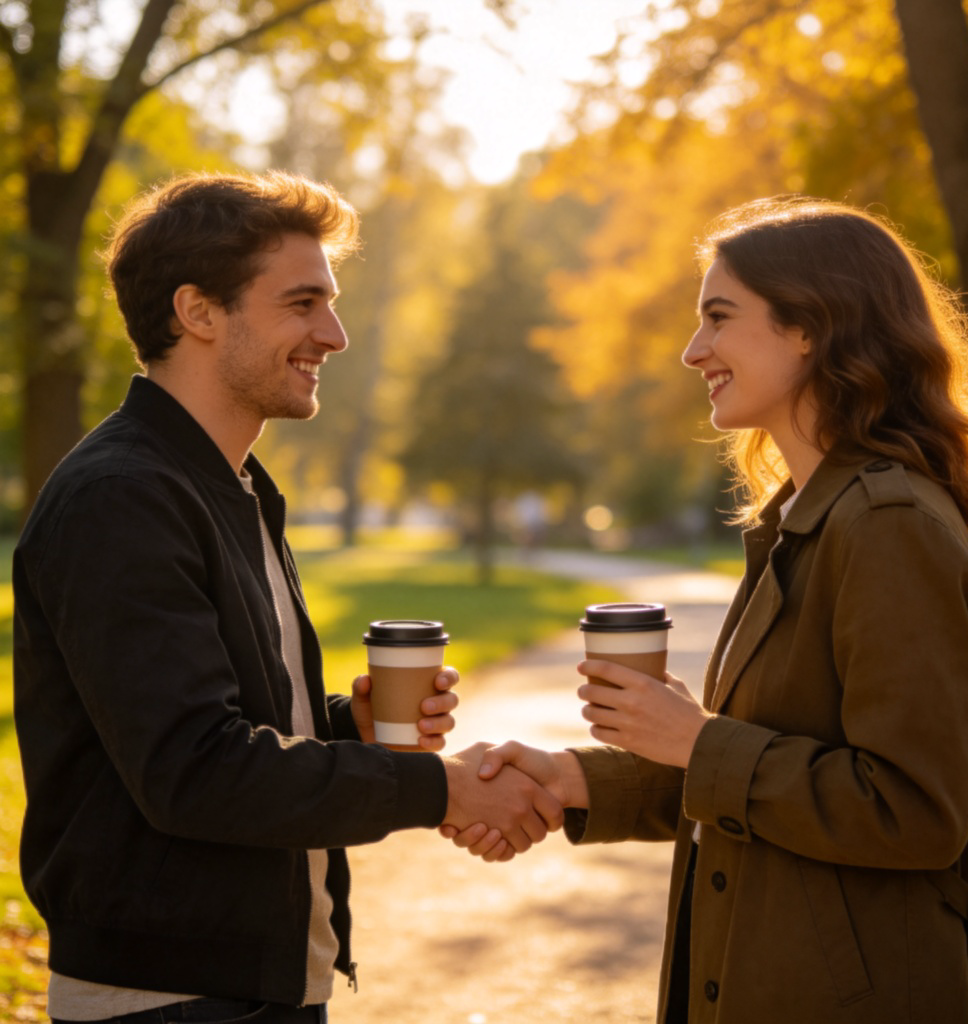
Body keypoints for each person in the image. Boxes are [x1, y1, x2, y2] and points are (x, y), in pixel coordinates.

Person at [447, 196, 968, 1023]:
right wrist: (575, 780)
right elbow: (762, 774)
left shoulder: (886, 525)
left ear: (811, 327)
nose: (693, 351)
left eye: (718, 318)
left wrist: (700, 739)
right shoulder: (803, 519)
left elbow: (914, 811)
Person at [13, 170, 563, 1024]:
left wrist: (343, 722)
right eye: (303, 303)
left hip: (254, 979)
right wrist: (443, 791)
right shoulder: (121, 497)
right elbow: (194, 770)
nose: (334, 335)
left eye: (331, 304)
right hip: (167, 998)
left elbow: (208, 725)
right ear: (198, 313)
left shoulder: (229, 487)